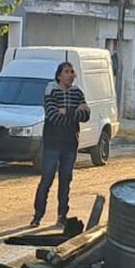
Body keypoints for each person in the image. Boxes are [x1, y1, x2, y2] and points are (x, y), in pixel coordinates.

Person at [31, 60, 89, 227]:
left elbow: (86, 115)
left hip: (70, 143)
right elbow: (53, 116)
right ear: (59, 75)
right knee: (47, 179)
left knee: (66, 180)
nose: (71, 75)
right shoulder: (51, 91)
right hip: (52, 143)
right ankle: (37, 215)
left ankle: (62, 215)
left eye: (72, 72)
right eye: (67, 72)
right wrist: (74, 112)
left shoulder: (77, 92)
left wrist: (66, 111)